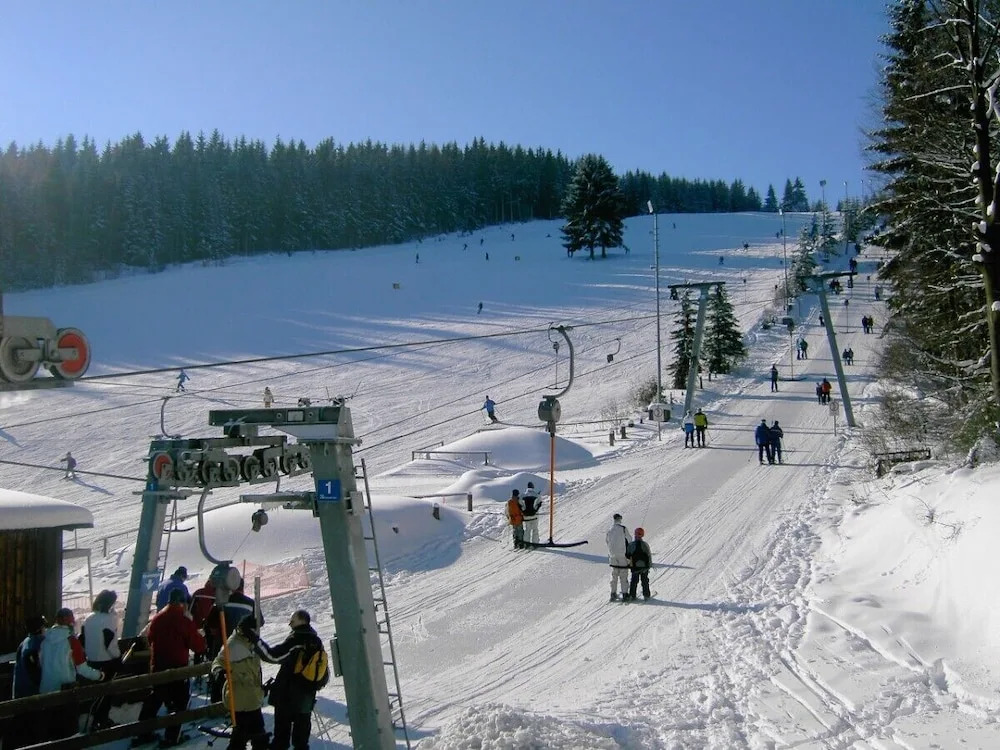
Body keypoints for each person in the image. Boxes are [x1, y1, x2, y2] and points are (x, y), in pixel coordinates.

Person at [134, 589, 207, 748]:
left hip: (158, 666)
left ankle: (143, 733)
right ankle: (171, 737)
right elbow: (197, 645)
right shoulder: (183, 620)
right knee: (179, 703)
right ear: (182, 603)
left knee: (155, 699)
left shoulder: (158, 618)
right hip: (177, 667)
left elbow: (150, 638)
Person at [254, 610, 328, 750]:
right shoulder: (317, 641)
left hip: (288, 694)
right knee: (301, 741)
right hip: (306, 695)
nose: (290, 623)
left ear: (302, 620)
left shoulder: (296, 639)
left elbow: (273, 656)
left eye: (293, 620)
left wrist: (255, 641)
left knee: (281, 739)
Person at [39, 608, 105, 740]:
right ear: (70, 623)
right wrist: (99, 675)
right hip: (66, 692)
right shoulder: (71, 641)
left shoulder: (45, 640)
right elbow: (82, 668)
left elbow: (41, 663)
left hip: (46, 691)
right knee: (68, 734)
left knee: (49, 734)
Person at [211, 616, 268, 750]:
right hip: (239, 698)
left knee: (257, 735)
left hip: (253, 697)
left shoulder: (252, 641)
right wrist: (218, 672)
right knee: (241, 737)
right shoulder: (233, 643)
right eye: (255, 629)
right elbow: (218, 661)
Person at [81, 590, 122, 730]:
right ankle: (101, 721)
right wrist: (117, 657)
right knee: (106, 694)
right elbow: (110, 643)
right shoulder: (108, 620)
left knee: (97, 693)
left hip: (91, 660)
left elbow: (82, 639)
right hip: (106, 661)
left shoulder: (88, 619)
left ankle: (97, 719)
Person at [11, 615, 48, 748]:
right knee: (32, 728)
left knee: (21, 725)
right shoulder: (38, 644)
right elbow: (34, 669)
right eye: (44, 626)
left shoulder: (25, 642)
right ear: (40, 628)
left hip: (20, 690)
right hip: (31, 692)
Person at [605, 513, 632, 602]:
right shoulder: (623, 529)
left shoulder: (609, 530)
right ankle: (625, 594)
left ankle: (613, 593)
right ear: (620, 519)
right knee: (623, 575)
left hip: (612, 556)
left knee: (614, 575)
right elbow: (629, 540)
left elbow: (607, 541)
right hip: (622, 555)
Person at [625, 528, 652, 602]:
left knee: (634, 581)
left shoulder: (631, 545)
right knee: (645, 581)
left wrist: (629, 565)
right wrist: (649, 565)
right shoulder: (645, 544)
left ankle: (632, 595)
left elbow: (627, 556)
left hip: (634, 567)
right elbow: (648, 555)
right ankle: (646, 595)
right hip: (644, 567)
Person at [519, 482, 541, 547]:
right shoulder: (537, 495)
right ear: (533, 487)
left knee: (527, 530)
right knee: (535, 529)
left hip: (526, 516)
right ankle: (535, 543)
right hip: (534, 516)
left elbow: (520, 505)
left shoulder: (522, 495)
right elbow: (539, 504)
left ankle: (526, 543)